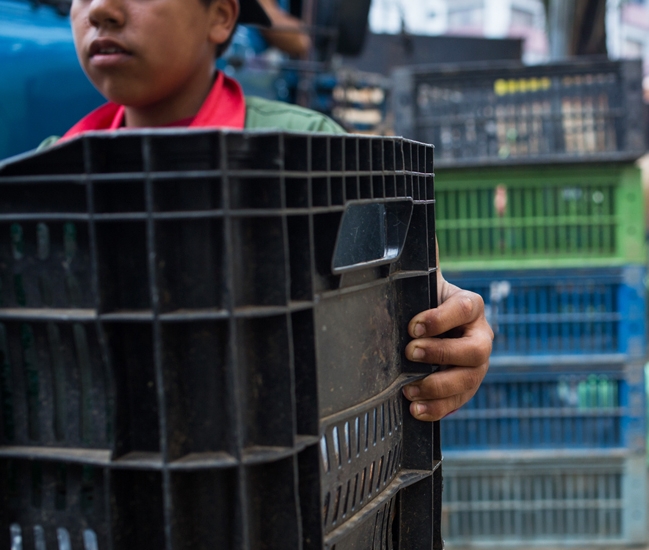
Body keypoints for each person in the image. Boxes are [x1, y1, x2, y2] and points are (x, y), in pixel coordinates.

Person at [45, 0, 493, 422]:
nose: (101, 9)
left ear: (220, 15)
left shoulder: (312, 149)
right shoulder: (48, 172)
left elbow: (419, 292)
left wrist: (453, 325)